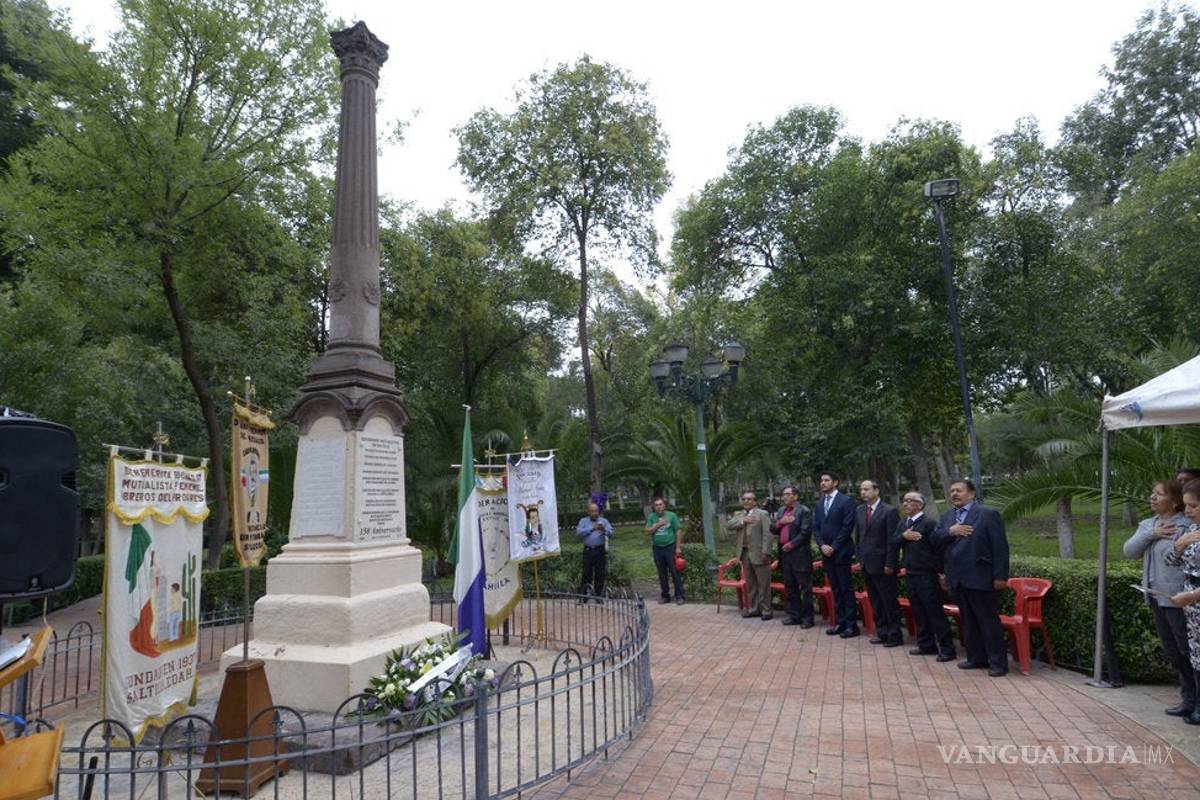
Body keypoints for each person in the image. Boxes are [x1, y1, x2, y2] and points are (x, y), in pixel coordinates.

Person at [1123, 480, 1195, 718]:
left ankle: (1194, 700)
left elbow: (1181, 560)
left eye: (1159, 494)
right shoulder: (1148, 525)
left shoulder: (1186, 527)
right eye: (1152, 493)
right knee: (1173, 652)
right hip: (1155, 597)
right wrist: (1152, 535)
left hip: (1179, 599)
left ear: (1175, 502)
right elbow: (1130, 551)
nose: (1152, 498)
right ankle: (1188, 698)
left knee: (1187, 651)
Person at [932, 479, 1010, 677]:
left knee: (988, 622)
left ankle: (998, 663)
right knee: (968, 621)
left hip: (981, 577)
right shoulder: (948, 516)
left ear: (972, 494)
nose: (954, 494)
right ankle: (976, 658)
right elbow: (935, 539)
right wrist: (952, 531)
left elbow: (1000, 547)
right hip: (957, 578)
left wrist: (1000, 576)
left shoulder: (987, 514)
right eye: (951, 491)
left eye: (959, 490)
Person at [898, 491, 956, 662]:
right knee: (919, 612)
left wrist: (940, 572)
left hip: (927, 575)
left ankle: (947, 649)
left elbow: (938, 548)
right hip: (911, 574)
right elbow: (893, 541)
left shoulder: (929, 523)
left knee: (934, 612)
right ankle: (926, 645)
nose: (906, 504)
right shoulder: (904, 524)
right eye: (904, 500)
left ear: (920, 505)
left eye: (910, 501)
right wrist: (903, 536)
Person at [1167, 479, 1200, 725]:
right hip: (1191, 603)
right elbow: (1172, 562)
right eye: (1187, 506)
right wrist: (1179, 545)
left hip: (1194, 596)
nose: (1187, 511)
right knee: (1195, 654)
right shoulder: (1190, 531)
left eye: (1194, 506)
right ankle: (1194, 702)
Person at [855, 480, 902, 647]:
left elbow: (893, 540)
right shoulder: (860, 511)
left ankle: (894, 635)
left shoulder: (889, 511)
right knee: (875, 600)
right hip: (867, 564)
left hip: (883, 565)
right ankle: (882, 632)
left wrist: (890, 563)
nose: (863, 492)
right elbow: (859, 537)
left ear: (876, 490)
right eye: (861, 490)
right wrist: (859, 559)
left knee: (888, 601)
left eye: (867, 489)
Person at [814, 472, 858, 637]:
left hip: (842, 551)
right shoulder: (819, 504)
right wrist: (822, 545)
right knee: (836, 588)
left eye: (826, 480)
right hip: (826, 553)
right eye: (821, 480)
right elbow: (816, 527)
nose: (823, 483)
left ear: (836, 482)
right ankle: (840, 623)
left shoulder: (846, 501)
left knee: (846, 588)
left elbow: (847, 527)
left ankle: (851, 625)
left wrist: (834, 546)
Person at [727, 490, 774, 620]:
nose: (746, 501)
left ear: (755, 502)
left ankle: (766, 611)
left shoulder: (762, 514)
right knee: (751, 584)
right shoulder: (739, 515)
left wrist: (766, 551)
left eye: (749, 499)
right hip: (744, 553)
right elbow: (729, 525)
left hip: (760, 553)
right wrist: (743, 521)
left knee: (763, 583)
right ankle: (754, 609)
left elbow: (768, 534)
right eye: (744, 499)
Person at [774, 486, 814, 627]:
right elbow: (772, 529)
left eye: (788, 494)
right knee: (790, 587)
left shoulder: (804, 511)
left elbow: (805, 532)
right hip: (785, 555)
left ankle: (808, 618)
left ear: (796, 496)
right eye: (783, 494)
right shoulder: (780, 511)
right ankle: (794, 616)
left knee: (805, 587)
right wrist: (781, 522)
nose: (784, 497)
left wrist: (791, 544)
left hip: (800, 554)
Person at [645, 497, 685, 605]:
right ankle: (665, 596)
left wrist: (678, 547)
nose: (659, 506)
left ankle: (680, 596)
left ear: (664, 505)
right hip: (657, 548)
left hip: (670, 547)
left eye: (660, 504)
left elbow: (678, 531)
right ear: (654, 507)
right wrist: (659, 524)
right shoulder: (651, 517)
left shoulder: (671, 515)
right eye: (656, 505)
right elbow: (647, 531)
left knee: (675, 572)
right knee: (661, 573)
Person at [575, 502, 614, 603]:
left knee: (600, 574)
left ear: (599, 512)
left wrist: (604, 529)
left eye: (596, 511)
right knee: (586, 573)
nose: (594, 513)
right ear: (588, 512)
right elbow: (579, 533)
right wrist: (592, 528)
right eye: (592, 511)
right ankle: (583, 596)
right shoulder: (583, 521)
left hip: (599, 550)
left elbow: (611, 533)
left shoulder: (603, 521)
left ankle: (598, 596)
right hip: (588, 550)